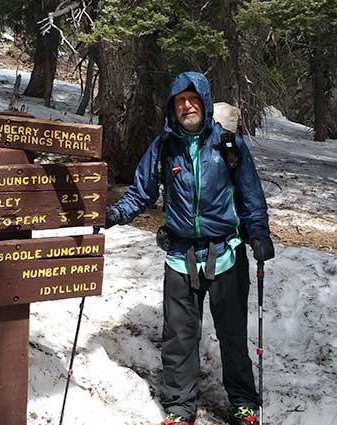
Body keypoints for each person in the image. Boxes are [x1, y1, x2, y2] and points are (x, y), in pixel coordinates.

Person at [104, 72, 274, 425]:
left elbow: (250, 195)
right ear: (172, 107)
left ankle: (243, 402)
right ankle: (180, 407)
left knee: (232, 334)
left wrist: (258, 233)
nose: (186, 105)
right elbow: (141, 192)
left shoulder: (228, 145)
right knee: (179, 337)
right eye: (179, 100)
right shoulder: (164, 147)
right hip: (181, 256)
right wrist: (116, 213)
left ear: (206, 102)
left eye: (192, 98)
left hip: (226, 253)